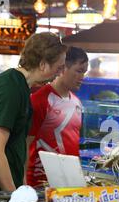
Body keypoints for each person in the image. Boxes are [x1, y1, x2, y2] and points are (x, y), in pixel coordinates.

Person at [0, 32, 67, 193]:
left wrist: (22, 187)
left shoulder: (21, 86)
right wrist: (13, 196)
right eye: (59, 67)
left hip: (2, 188)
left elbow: (16, 144)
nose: (60, 72)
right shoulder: (10, 88)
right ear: (43, 64)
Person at [26, 46, 88, 187]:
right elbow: (25, 145)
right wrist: (23, 185)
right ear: (62, 68)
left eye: (84, 72)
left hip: (70, 182)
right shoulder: (40, 100)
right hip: (39, 183)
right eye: (79, 71)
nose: (82, 77)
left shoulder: (76, 102)